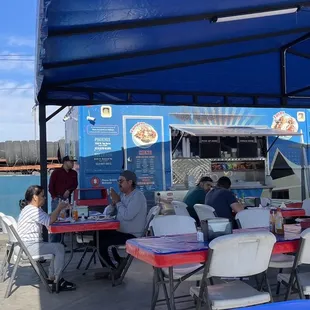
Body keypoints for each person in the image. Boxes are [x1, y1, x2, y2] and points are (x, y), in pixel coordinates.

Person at [17, 185, 76, 291]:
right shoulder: (32, 210)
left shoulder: (31, 209)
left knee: (56, 247)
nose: (44, 198)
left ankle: (52, 277)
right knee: (59, 248)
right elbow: (49, 221)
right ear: (35, 197)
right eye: (42, 196)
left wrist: (58, 211)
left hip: (28, 245)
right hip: (29, 246)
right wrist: (59, 208)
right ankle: (58, 280)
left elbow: (47, 218)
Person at [98, 170, 147, 270]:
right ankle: (115, 263)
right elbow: (106, 213)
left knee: (103, 243)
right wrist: (113, 203)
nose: (118, 183)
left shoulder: (137, 196)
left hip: (132, 234)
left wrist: (118, 202)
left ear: (130, 182)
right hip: (121, 231)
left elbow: (128, 215)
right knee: (98, 235)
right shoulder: (122, 196)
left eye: (121, 181)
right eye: (118, 181)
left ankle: (113, 269)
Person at [48, 156, 78, 242]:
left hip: (66, 200)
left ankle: (61, 242)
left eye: (73, 162)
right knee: (55, 220)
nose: (72, 164)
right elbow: (50, 187)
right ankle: (54, 242)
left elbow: (75, 184)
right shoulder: (56, 173)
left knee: (65, 220)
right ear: (65, 162)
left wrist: (69, 190)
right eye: (71, 162)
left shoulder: (73, 173)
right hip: (57, 199)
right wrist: (54, 197)